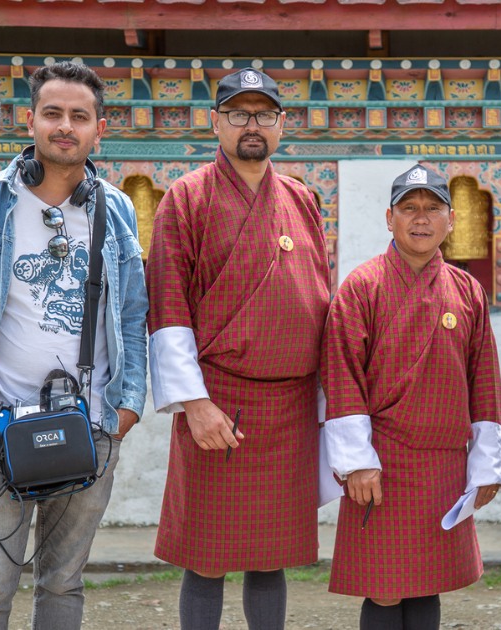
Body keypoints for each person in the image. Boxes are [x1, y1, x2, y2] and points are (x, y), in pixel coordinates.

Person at [0, 61, 148, 628]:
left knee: (63, 583)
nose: (65, 126)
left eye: (79, 115)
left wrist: (128, 406)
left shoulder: (116, 210)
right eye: (53, 113)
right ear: (30, 121)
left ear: (100, 128)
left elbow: (133, 311)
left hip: (91, 422)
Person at [146, 67, 331, 630]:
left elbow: (322, 300)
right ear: (216, 122)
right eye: (238, 114)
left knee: (269, 557)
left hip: (290, 407)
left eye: (264, 114)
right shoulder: (187, 197)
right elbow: (168, 306)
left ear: (281, 124)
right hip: (218, 402)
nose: (252, 126)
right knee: (206, 558)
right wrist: (194, 404)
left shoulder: (302, 198)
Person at [320, 165, 501, 630]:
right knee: (384, 589)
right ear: (390, 218)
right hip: (380, 464)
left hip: (443, 464)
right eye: (409, 208)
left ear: (451, 220)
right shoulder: (361, 287)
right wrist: (356, 461)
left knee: (428, 583)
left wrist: (486, 464)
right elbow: (341, 377)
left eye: (432, 209)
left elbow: (484, 381)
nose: (420, 219)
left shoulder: (467, 290)